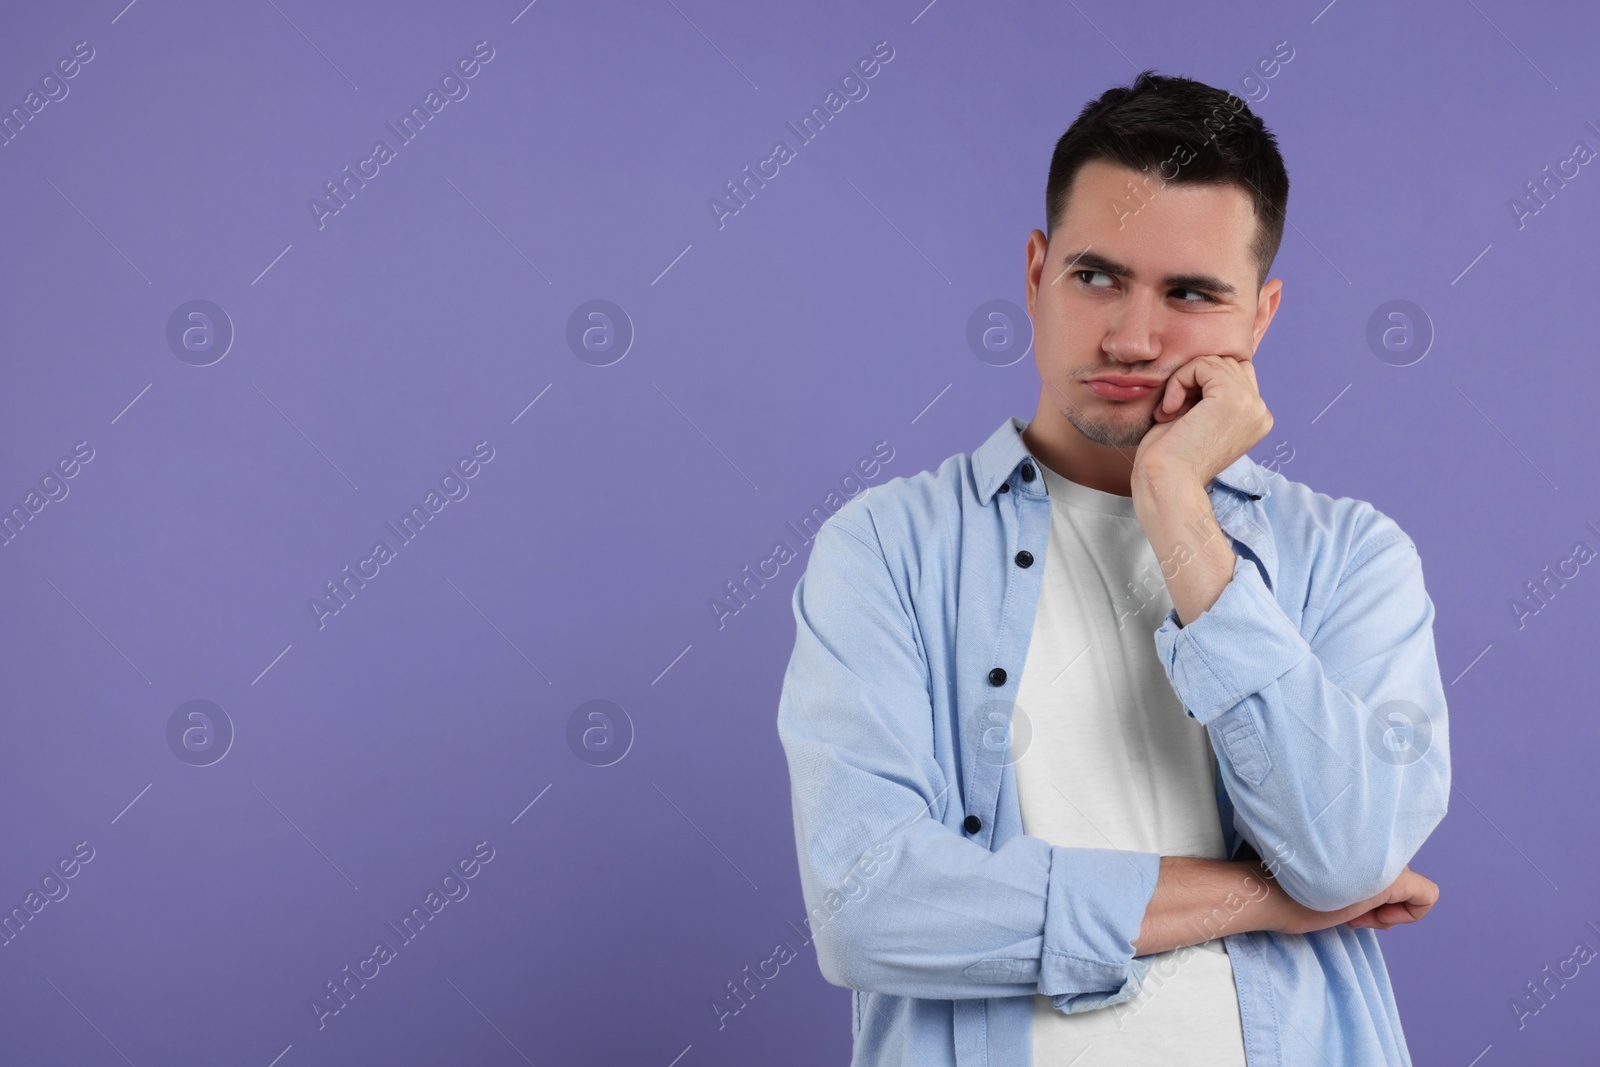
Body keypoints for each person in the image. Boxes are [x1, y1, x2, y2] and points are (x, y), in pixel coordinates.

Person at [775, 69, 1449, 1066]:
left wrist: (1177, 504)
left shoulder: (1351, 558)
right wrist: (1258, 894)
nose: (1132, 336)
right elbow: (866, 905)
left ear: (1258, 318)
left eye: (1188, 293)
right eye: (1096, 275)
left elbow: (1344, 851)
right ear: (1035, 270)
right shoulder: (884, 550)